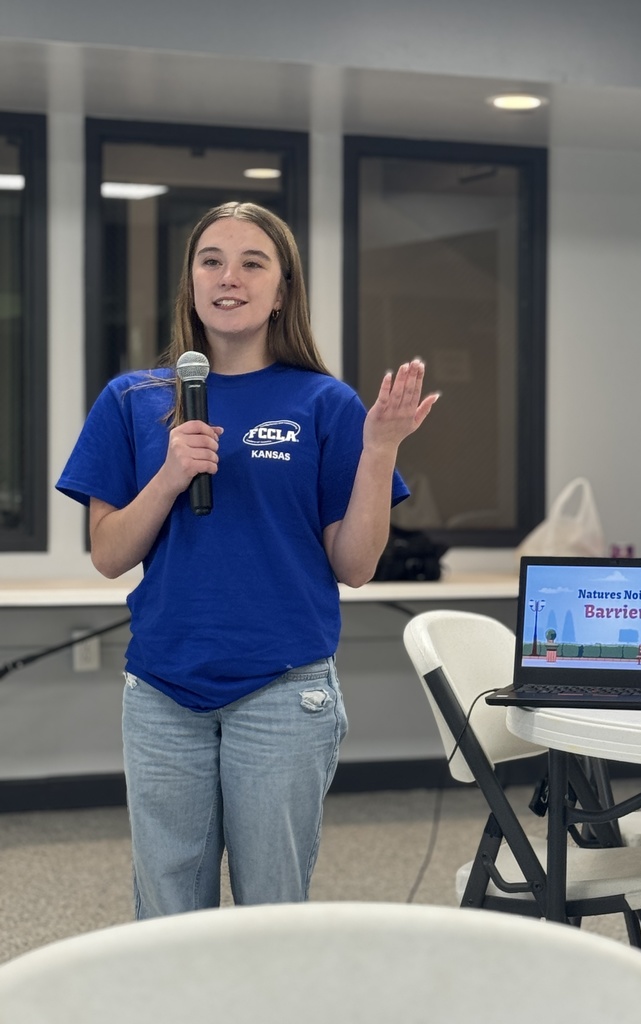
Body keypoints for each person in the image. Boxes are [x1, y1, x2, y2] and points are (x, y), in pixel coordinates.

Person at [56, 200, 439, 918]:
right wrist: (169, 477)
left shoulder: (325, 403)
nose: (229, 277)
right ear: (191, 281)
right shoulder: (133, 400)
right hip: (165, 692)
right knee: (168, 919)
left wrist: (379, 449)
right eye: (211, 261)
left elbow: (354, 564)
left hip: (284, 691)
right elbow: (109, 555)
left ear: (282, 289)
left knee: (273, 916)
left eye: (252, 262)